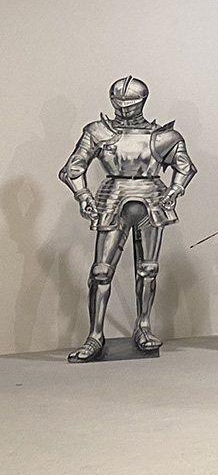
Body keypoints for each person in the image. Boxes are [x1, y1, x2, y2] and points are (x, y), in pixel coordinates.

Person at [58, 77, 196, 361]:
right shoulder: (98, 131)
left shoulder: (163, 136)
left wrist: (174, 190)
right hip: (112, 197)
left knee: (148, 269)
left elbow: (185, 167)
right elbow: (73, 168)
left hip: (151, 197)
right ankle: (95, 335)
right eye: (118, 102)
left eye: (128, 103)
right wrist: (83, 195)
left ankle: (143, 326)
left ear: (142, 102)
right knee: (101, 271)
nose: (122, 108)